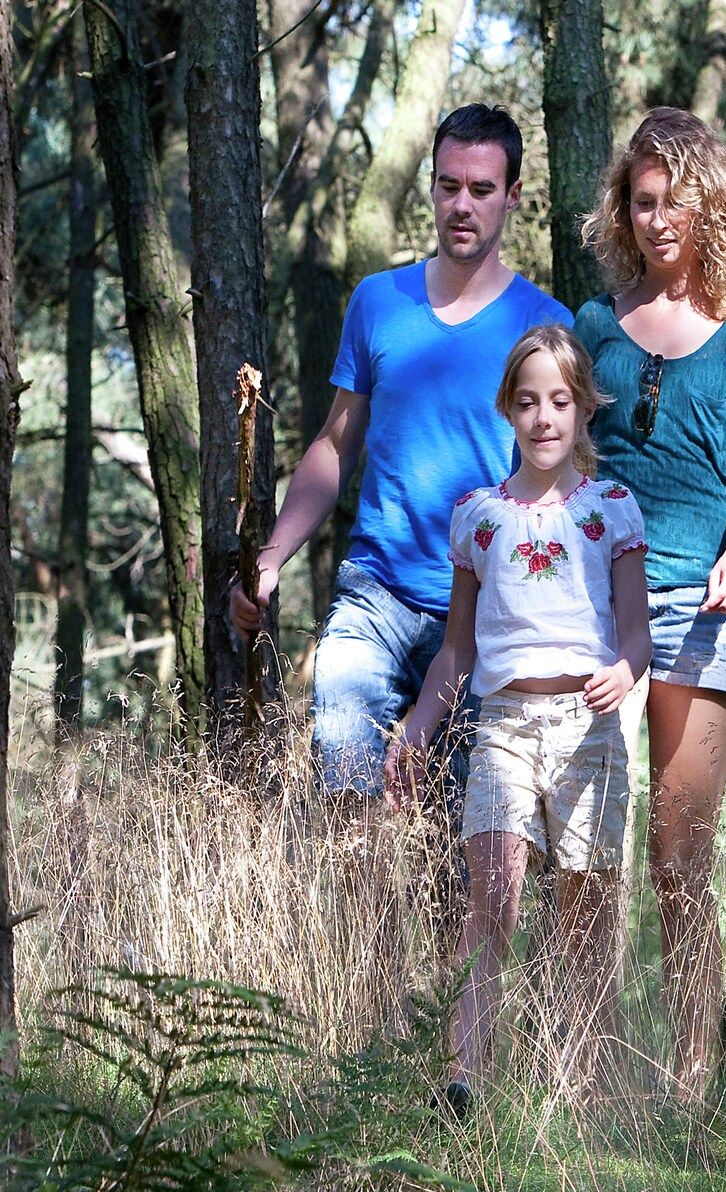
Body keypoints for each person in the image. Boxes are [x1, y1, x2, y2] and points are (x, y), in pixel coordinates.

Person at [229, 105, 570, 802]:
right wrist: (269, 558)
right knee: (347, 794)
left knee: (459, 861)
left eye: (481, 189)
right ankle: (360, 917)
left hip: (486, 615)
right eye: (449, 186)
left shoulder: (547, 326)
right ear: (431, 188)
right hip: (374, 594)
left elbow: (558, 488)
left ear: (512, 197)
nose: (462, 205)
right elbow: (334, 443)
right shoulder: (377, 302)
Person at [572, 108, 726, 1102]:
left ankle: (689, 1086)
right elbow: (559, 468)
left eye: (675, 203)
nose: (658, 221)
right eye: (641, 202)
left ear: (711, 207)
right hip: (594, 615)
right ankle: (596, 1079)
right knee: (587, 858)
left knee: (676, 857)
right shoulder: (591, 327)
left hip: (703, 611)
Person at [386, 326, 651, 1115]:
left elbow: (636, 632)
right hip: (501, 725)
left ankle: (588, 1095)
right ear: (507, 408)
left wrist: (622, 672)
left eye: (560, 402)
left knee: (586, 919)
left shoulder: (611, 510)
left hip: (587, 728)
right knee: (492, 899)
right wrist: (420, 726)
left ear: (583, 410)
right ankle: (462, 1080)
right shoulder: (480, 518)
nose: (544, 419)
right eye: (529, 402)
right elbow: (456, 650)